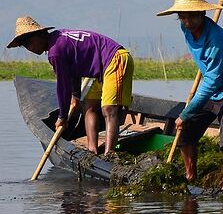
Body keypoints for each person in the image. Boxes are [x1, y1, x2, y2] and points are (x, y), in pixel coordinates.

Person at [157, 0, 223, 191]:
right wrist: (188, 116)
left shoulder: (216, 41)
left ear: (202, 13)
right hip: (214, 87)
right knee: (185, 130)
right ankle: (191, 175)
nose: (187, 22)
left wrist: (186, 111)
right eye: (182, 17)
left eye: (192, 16)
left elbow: (211, 82)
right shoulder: (186, 29)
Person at [7, 16, 133, 154]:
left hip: (116, 58)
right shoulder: (58, 37)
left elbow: (63, 86)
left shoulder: (55, 51)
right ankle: (92, 151)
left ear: (42, 35)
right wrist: (75, 96)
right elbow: (73, 72)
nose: (30, 48)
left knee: (109, 109)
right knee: (88, 106)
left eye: (31, 42)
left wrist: (62, 117)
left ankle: (109, 154)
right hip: (101, 69)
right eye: (26, 46)